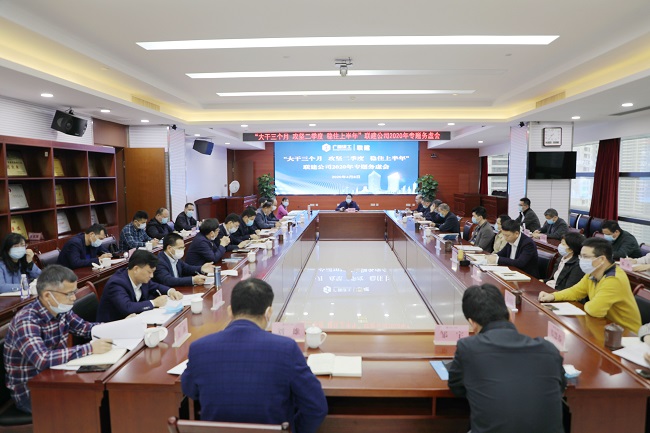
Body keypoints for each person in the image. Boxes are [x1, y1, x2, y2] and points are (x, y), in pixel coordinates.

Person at [181, 278, 328, 432]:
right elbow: (316, 406)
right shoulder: (286, 348)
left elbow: (190, 390)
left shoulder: (199, 348)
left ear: (230, 311)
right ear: (268, 313)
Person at [448, 284, 566, 433]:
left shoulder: (468, 348)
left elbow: (456, 387)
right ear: (510, 315)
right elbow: (561, 386)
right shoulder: (548, 350)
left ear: (473, 324)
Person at [3, 265, 113, 413]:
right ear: (47, 295)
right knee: (91, 403)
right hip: (31, 392)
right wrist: (90, 348)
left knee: (104, 393)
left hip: (58, 376)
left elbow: (86, 328)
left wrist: (119, 326)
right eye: (69, 294)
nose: (74, 298)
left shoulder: (61, 311)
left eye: (74, 292)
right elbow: (42, 359)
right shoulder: (27, 320)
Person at [538, 237, 642, 333]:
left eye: (586, 257)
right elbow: (576, 291)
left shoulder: (614, 279)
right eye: (581, 256)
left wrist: (587, 305)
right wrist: (553, 296)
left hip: (625, 334)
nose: (581, 260)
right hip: (604, 326)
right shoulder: (593, 272)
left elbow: (595, 310)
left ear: (601, 259)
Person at [97, 250, 182, 322]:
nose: (152, 276)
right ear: (136, 269)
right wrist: (154, 303)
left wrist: (171, 291)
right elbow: (127, 307)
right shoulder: (116, 283)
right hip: (112, 328)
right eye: (149, 272)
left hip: (134, 322)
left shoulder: (141, 278)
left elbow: (155, 286)